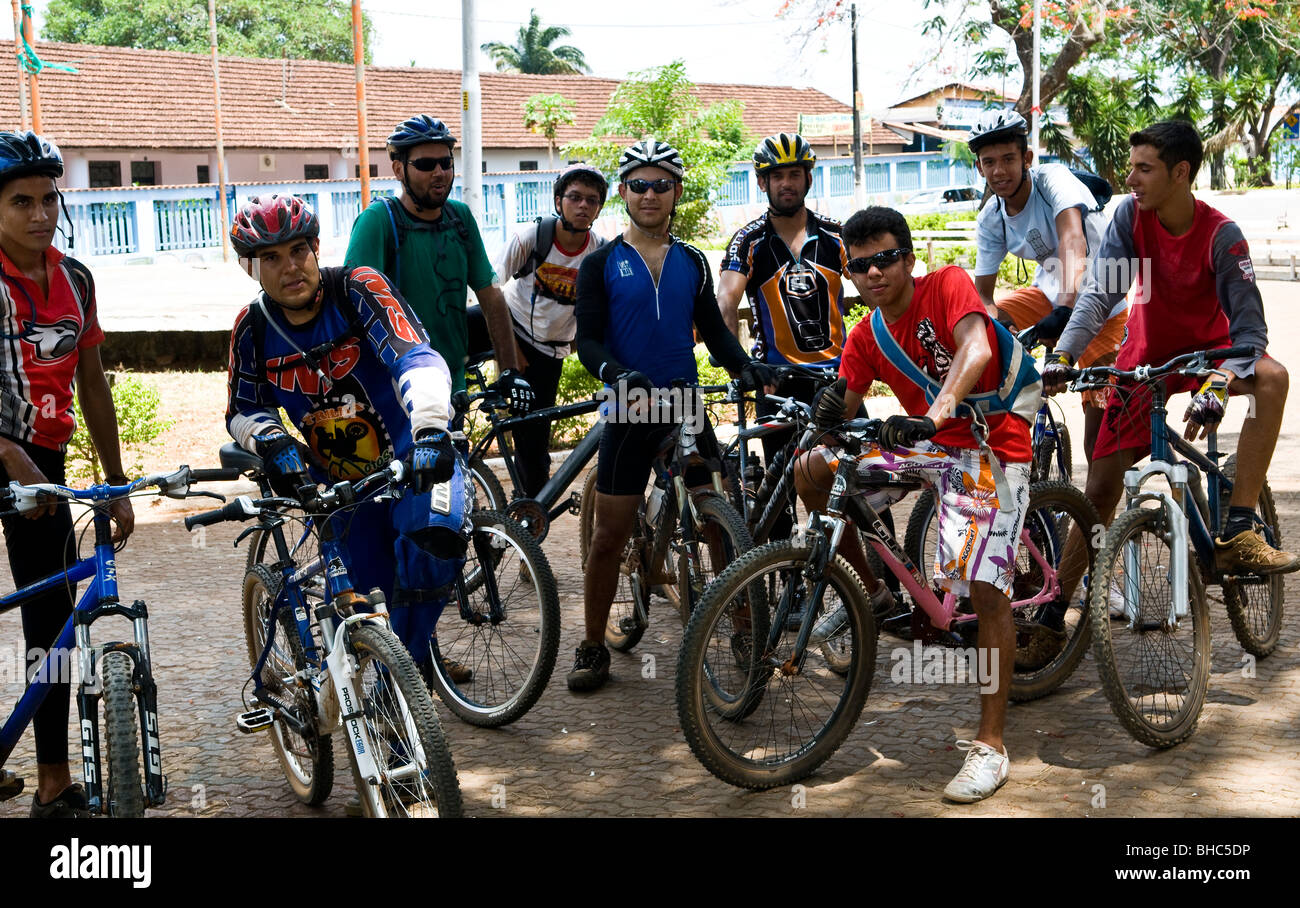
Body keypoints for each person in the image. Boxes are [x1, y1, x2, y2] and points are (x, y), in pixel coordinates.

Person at [793, 206, 1037, 803]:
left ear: (906, 258)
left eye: (884, 258)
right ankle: (873, 593)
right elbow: (845, 404)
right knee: (813, 471)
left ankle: (991, 746)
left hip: (992, 439)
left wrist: (939, 409)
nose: (874, 272)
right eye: (860, 265)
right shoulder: (866, 334)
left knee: (982, 588)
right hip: (929, 446)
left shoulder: (947, 285)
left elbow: (975, 349)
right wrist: (815, 428)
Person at [225, 194, 473, 686]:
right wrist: (272, 441)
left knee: (435, 544)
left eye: (298, 250)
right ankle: (381, 694)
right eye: (271, 258)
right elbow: (242, 410)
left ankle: (404, 678)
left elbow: (415, 357)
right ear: (249, 266)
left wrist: (428, 428)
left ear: (316, 247)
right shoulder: (251, 329)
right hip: (338, 489)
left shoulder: (359, 287)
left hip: (410, 458)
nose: (289, 267)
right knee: (358, 607)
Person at [1044, 120, 1297, 579]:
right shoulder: (1129, 217)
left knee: (1273, 378)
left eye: (1144, 169)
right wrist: (1062, 356)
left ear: (1180, 172)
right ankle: (1053, 615)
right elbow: (1101, 293)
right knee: (1100, 487)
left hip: (1215, 359)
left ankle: (1240, 529)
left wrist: (1221, 379)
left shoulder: (1224, 235)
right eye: (1130, 167)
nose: (1130, 179)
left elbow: (1250, 330)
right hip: (1148, 361)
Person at [571, 139, 775, 692]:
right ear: (624, 193)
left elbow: (713, 331)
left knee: (718, 519)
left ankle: (740, 625)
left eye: (661, 183)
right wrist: (616, 373)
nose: (650, 193)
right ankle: (592, 644)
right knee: (609, 535)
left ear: (676, 191)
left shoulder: (691, 262)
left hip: (684, 402)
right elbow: (587, 342)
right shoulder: (599, 264)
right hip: (628, 404)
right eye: (639, 184)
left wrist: (744, 366)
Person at [0, 131, 133, 817]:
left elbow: (92, 380)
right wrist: (6, 449)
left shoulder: (76, 279)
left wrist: (113, 480)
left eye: (48, 198)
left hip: (42, 460)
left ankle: (53, 783)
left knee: (50, 621)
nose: (40, 213)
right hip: (6, 451)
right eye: (21, 201)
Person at [344, 114, 532, 415]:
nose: (440, 172)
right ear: (398, 169)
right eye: (425, 164)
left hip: (452, 379)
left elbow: (491, 292)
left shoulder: (460, 218)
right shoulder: (378, 221)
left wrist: (509, 369)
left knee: (455, 458)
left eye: (446, 163)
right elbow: (353, 304)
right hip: (397, 386)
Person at [969, 108, 1127, 461]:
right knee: (978, 325)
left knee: (1099, 437)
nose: (998, 171)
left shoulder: (1052, 178)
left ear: (1026, 158)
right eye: (989, 162)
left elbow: (1073, 239)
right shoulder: (991, 217)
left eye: (1008, 159)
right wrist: (998, 323)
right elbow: (982, 294)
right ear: (979, 167)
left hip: (1102, 295)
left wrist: (1066, 308)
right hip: (1049, 291)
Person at [487, 163, 608, 497]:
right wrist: (510, 351)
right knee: (455, 330)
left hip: (550, 351)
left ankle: (524, 515)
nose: (583, 205)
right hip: (508, 328)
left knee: (533, 446)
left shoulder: (599, 251)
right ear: (559, 202)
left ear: (599, 208)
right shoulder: (533, 237)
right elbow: (490, 289)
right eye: (575, 198)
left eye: (592, 200)